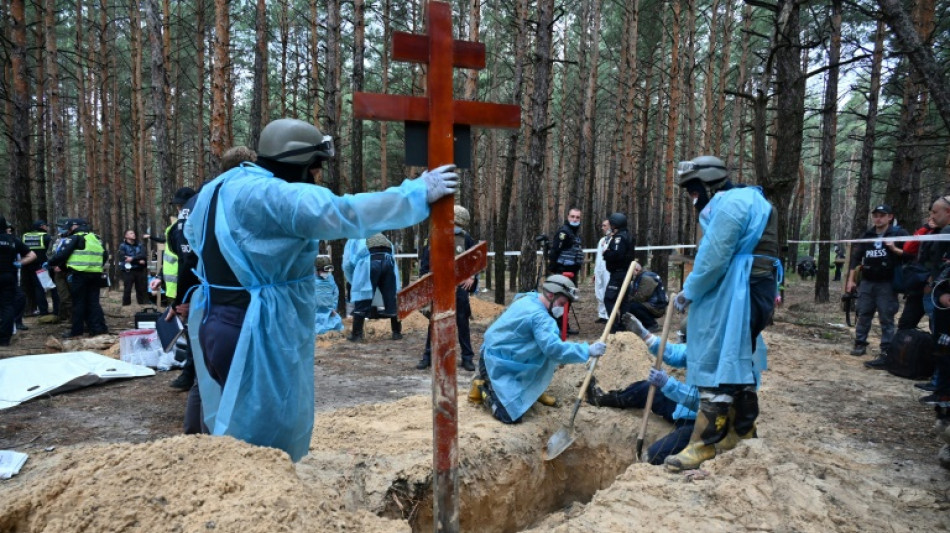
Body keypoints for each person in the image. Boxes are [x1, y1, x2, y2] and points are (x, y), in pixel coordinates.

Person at [181, 117, 458, 461]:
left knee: (234, 425)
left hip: (215, 319)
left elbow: (192, 238)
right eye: (314, 170)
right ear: (300, 164)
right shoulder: (274, 195)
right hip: (251, 329)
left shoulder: (221, 186)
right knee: (262, 441)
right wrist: (416, 193)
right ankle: (262, 506)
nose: (315, 178)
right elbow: (344, 213)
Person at [664, 154, 779, 471]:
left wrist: (690, 291)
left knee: (716, 359)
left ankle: (704, 443)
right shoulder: (752, 199)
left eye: (693, 190)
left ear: (707, 183)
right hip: (754, 290)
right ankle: (741, 432)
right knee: (739, 360)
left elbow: (713, 258)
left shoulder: (730, 204)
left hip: (739, 293)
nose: (692, 198)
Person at [586, 313, 766, 465]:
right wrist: (644, 334)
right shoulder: (704, 349)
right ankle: (603, 399)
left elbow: (702, 403)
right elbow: (674, 353)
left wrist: (668, 384)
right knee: (648, 388)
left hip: (708, 423)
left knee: (656, 455)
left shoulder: (727, 368)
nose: (688, 347)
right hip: (686, 410)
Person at [472, 274, 607, 424]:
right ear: (550, 295)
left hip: (508, 357)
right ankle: (482, 388)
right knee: (510, 416)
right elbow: (555, 349)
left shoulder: (529, 298)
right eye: (561, 304)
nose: (562, 309)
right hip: (494, 362)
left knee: (542, 356)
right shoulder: (540, 318)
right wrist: (587, 350)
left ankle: (531, 390)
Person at [416, 204, 479, 371]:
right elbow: (425, 262)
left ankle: (467, 358)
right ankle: (428, 356)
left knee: (462, 322)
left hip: (459, 289)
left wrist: (472, 277)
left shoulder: (466, 238)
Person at [845, 204, 908, 358]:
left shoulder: (898, 233)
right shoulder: (868, 235)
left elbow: (910, 254)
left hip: (887, 283)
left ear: (890, 217)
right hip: (867, 281)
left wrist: (895, 249)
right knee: (863, 313)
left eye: (882, 215)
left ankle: (886, 348)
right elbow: (855, 258)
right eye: (875, 215)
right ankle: (860, 343)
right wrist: (851, 280)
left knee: (886, 316)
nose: (878, 219)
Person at [47, 218, 109, 339]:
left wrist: (51, 262)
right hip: (95, 274)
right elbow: (105, 255)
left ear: (74, 227)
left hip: (79, 275)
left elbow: (63, 254)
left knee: (78, 303)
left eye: (69, 227)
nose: (68, 229)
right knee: (94, 303)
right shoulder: (96, 238)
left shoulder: (74, 237)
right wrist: (96, 266)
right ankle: (97, 329)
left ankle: (76, 331)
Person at [343, 232, 402, 342]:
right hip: (388, 261)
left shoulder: (354, 237)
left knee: (362, 297)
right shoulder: (381, 235)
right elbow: (392, 255)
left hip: (369, 262)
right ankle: (397, 332)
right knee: (390, 298)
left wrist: (353, 281)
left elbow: (347, 264)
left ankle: (357, 335)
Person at [0, 216, 37, 346]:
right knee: (7, 306)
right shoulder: (13, 240)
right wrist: (20, 263)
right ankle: (4, 339)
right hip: (8, 276)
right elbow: (32, 255)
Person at [602, 212, 636, 332]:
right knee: (624, 301)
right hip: (624, 273)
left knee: (609, 299)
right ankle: (624, 326)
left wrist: (606, 253)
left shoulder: (619, 238)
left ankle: (615, 326)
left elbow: (617, 255)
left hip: (619, 274)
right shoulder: (626, 236)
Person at [22, 220, 58, 317]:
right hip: (44, 266)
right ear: (42, 226)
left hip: (29, 265)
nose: (47, 227)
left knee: (38, 288)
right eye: (46, 226)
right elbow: (52, 251)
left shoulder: (25, 236)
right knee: (53, 287)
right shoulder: (47, 237)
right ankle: (56, 310)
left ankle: (43, 311)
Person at [548, 207, 584, 277]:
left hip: (573, 271)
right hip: (562, 271)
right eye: (572, 216)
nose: (575, 219)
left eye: (577, 217)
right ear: (568, 217)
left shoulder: (576, 233)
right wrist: (554, 269)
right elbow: (555, 251)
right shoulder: (564, 232)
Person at [313, 255, 344, 335]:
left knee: (338, 325)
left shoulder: (330, 278)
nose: (326, 273)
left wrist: (333, 308)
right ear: (317, 270)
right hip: (315, 312)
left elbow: (335, 292)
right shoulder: (311, 280)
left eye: (327, 271)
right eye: (324, 271)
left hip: (330, 312)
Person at [118, 229, 149, 306]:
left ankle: (141, 305)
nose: (133, 234)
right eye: (131, 233)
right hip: (128, 270)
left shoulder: (140, 245)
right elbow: (123, 258)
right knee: (127, 289)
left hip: (139, 270)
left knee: (140, 289)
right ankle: (126, 305)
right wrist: (138, 261)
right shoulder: (122, 246)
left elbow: (143, 255)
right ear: (126, 236)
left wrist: (132, 259)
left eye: (134, 233)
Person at [593, 219, 610, 323]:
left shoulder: (613, 240)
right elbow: (598, 257)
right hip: (599, 270)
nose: (602, 228)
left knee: (607, 291)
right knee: (599, 291)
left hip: (608, 270)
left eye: (605, 226)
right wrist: (595, 271)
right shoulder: (602, 240)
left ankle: (608, 315)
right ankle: (602, 314)